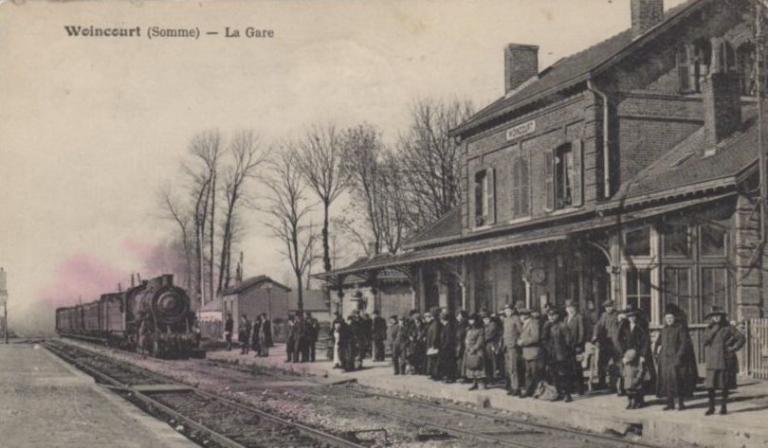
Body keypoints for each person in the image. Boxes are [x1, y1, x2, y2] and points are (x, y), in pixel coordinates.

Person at [703, 306, 745, 415]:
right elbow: (704, 341)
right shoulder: (709, 328)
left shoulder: (728, 328)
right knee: (710, 386)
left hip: (724, 360)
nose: (716, 318)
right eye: (714, 316)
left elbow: (741, 338)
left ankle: (723, 407)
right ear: (711, 317)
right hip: (712, 361)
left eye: (718, 316)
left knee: (723, 386)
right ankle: (711, 407)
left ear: (722, 317)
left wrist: (733, 348)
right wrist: (713, 331)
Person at [654, 310, 691, 410]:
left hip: (675, 359)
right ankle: (670, 404)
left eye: (671, 318)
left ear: (674, 319)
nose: (669, 320)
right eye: (667, 319)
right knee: (667, 381)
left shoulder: (680, 328)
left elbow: (684, 344)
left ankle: (681, 403)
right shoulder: (664, 330)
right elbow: (658, 342)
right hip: (665, 359)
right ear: (665, 320)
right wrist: (656, 353)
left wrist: (679, 356)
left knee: (678, 381)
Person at [618, 306, 655, 400]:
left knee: (639, 376)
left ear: (636, 316)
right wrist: (623, 353)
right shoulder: (624, 326)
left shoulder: (641, 326)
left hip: (639, 353)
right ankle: (631, 399)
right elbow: (620, 340)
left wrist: (643, 355)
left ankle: (639, 400)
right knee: (629, 376)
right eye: (629, 316)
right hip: (628, 354)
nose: (631, 318)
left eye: (633, 316)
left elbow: (646, 341)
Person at [543, 308, 574, 402]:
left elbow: (569, 341)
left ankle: (567, 394)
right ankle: (558, 393)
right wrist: (548, 348)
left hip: (562, 354)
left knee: (563, 375)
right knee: (554, 375)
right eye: (549, 315)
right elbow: (543, 339)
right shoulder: (547, 326)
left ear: (557, 315)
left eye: (553, 315)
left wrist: (566, 352)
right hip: (551, 354)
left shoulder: (562, 326)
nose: (551, 317)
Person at [591, 300, 621, 391]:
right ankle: (602, 382)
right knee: (602, 363)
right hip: (606, 343)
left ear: (613, 306)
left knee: (617, 363)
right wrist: (595, 335)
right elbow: (598, 326)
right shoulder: (604, 315)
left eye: (610, 306)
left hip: (616, 343)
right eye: (607, 307)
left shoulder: (618, 315)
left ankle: (616, 384)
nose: (608, 309)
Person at [517, 309, 543, 398]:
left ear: (525, 316)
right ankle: (529, 391)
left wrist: (523, 342)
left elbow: (535, 338)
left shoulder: (533, 323)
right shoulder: (525, 324)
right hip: (527, 353)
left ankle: (537, 391)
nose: (520, 318)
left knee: (535, 373)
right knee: (528, 373)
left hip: (533, 352)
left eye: (521, 316)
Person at [564, 299, 586, 395]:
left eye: (571, 307)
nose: (570, 309)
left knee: (577, 368)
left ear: (575, 308)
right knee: (569, 367)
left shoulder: (579, 317)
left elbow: (582, 332)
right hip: (568, 347)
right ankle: (572, 387)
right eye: (568, 308)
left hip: (576, 346)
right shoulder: (566, 318)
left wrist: (579, 345)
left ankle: (580, 388)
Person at [501, 303, 524, 396]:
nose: (507, 312)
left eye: (509, 310)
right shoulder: (506, 320)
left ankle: (516, 387)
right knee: (508, 368)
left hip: (513, 346)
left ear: (512, 310)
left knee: (513, 368)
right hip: (506, 346)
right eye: (506, 310)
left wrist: (517, 342)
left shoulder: (516, 319)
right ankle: (511, 386)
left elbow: (521, 331)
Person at [464, 314, 487, 390]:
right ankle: (474, 383)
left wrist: (474, 348)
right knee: (471, 367)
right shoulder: (468, 329)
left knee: (478, 366)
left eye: (472, 320)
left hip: (477, 351)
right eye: (470, 320)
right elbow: (466, 340)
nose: (471, 321)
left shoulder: (480, 329)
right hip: (469, 350)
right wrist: (468, 347)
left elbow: (480, 341)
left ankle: (481, 383)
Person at [437, 310, 456, 382]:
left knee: (449, 363)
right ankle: (447, 377)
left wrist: (444, 347)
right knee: (446, 363)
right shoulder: (446, 326)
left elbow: (448, 339)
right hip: (445, 348)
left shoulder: (448, 327)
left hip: (448, 348)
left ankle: (450, 378)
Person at [482, 311, 501, 383]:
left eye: (486, 319)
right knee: (487, 361)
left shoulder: (493, 325)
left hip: (492, 344)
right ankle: (489, 377)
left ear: (489, 318)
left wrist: (481, 338)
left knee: (493, 361)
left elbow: (489, 335)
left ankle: (493, 377)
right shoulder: (484, 325)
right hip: (486, 345)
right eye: (484, 319)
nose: (485, 320)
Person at [455, 310, 469, 383]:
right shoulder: (463, 323)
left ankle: (463, 376)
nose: (457, 316)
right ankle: (462, 376)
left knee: (462, 361)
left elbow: (459, 334)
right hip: (461, 344)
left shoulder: (463, 324)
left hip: (462, 345)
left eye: (459, 315)